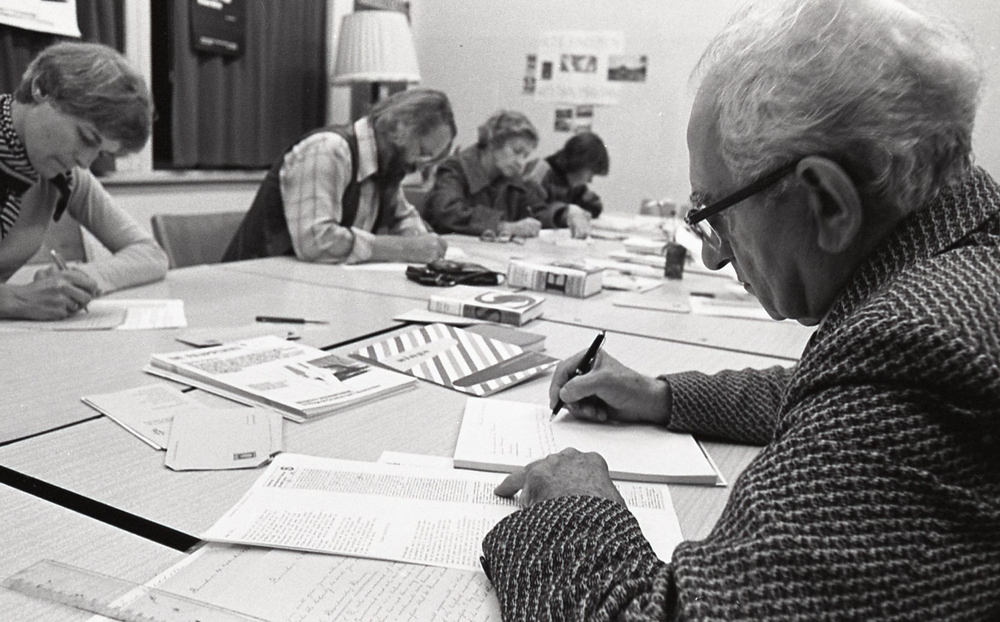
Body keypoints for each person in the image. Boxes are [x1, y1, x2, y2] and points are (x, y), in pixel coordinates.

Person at [481, 0, 1000, 619]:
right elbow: (828, 392)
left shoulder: (920, 342)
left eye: (714, 214)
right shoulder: (961, 266)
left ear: (827, 203)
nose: (712, 256)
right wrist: (660, 396)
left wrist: (570, 512)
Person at [0, 42, 167, 321]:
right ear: (41, 88)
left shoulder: (64, 176)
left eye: (100, 152)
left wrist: (82, 279)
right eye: (86, 137)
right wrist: (13, 300)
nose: (85, 162)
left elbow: (149, 254)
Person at [222, 89, 454, 264]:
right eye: (422, 152)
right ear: (400, 128)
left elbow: (404, 217)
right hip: (256, 288)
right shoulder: (328, 149)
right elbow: (317, 242)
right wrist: (406, 249)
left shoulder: (386, 166)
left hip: (310, 287)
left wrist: (422, 242)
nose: (419, 166)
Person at [423, 110, 557, 238]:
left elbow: (537, 211)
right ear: (493, 143)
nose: (521, 162)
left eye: (525, 156)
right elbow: (448, 211)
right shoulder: (455, 169)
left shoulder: (511, 178)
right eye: (516, 151)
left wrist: (562, 214)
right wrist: (501, 226)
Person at [523, 131, 609, 239]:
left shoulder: (574, 183)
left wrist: (584, 212)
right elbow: (530, 213)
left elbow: (594, 204)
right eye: (591, 173)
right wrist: (564, 213)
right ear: (579, 163)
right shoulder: (538, 173)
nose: (590, 180)